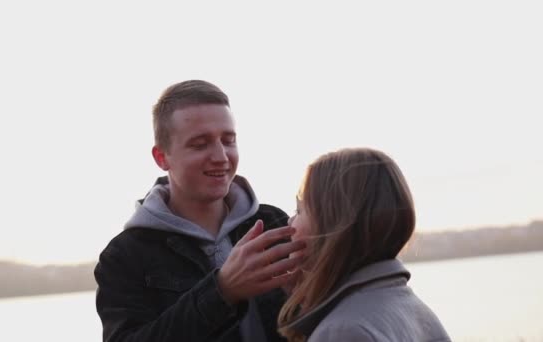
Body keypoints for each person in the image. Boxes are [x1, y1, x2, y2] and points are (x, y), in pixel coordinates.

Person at [94, 80, 305, 342]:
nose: (221, 156)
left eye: (228, 141)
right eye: (200, 144)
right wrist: (222, 291)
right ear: (162, 158)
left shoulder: (273, 222)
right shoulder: (125, 256)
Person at [277, 147, 450, 342]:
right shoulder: (416, 312)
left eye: (299, 210)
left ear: (333, 223)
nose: (289, 222)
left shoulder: (343, 331)